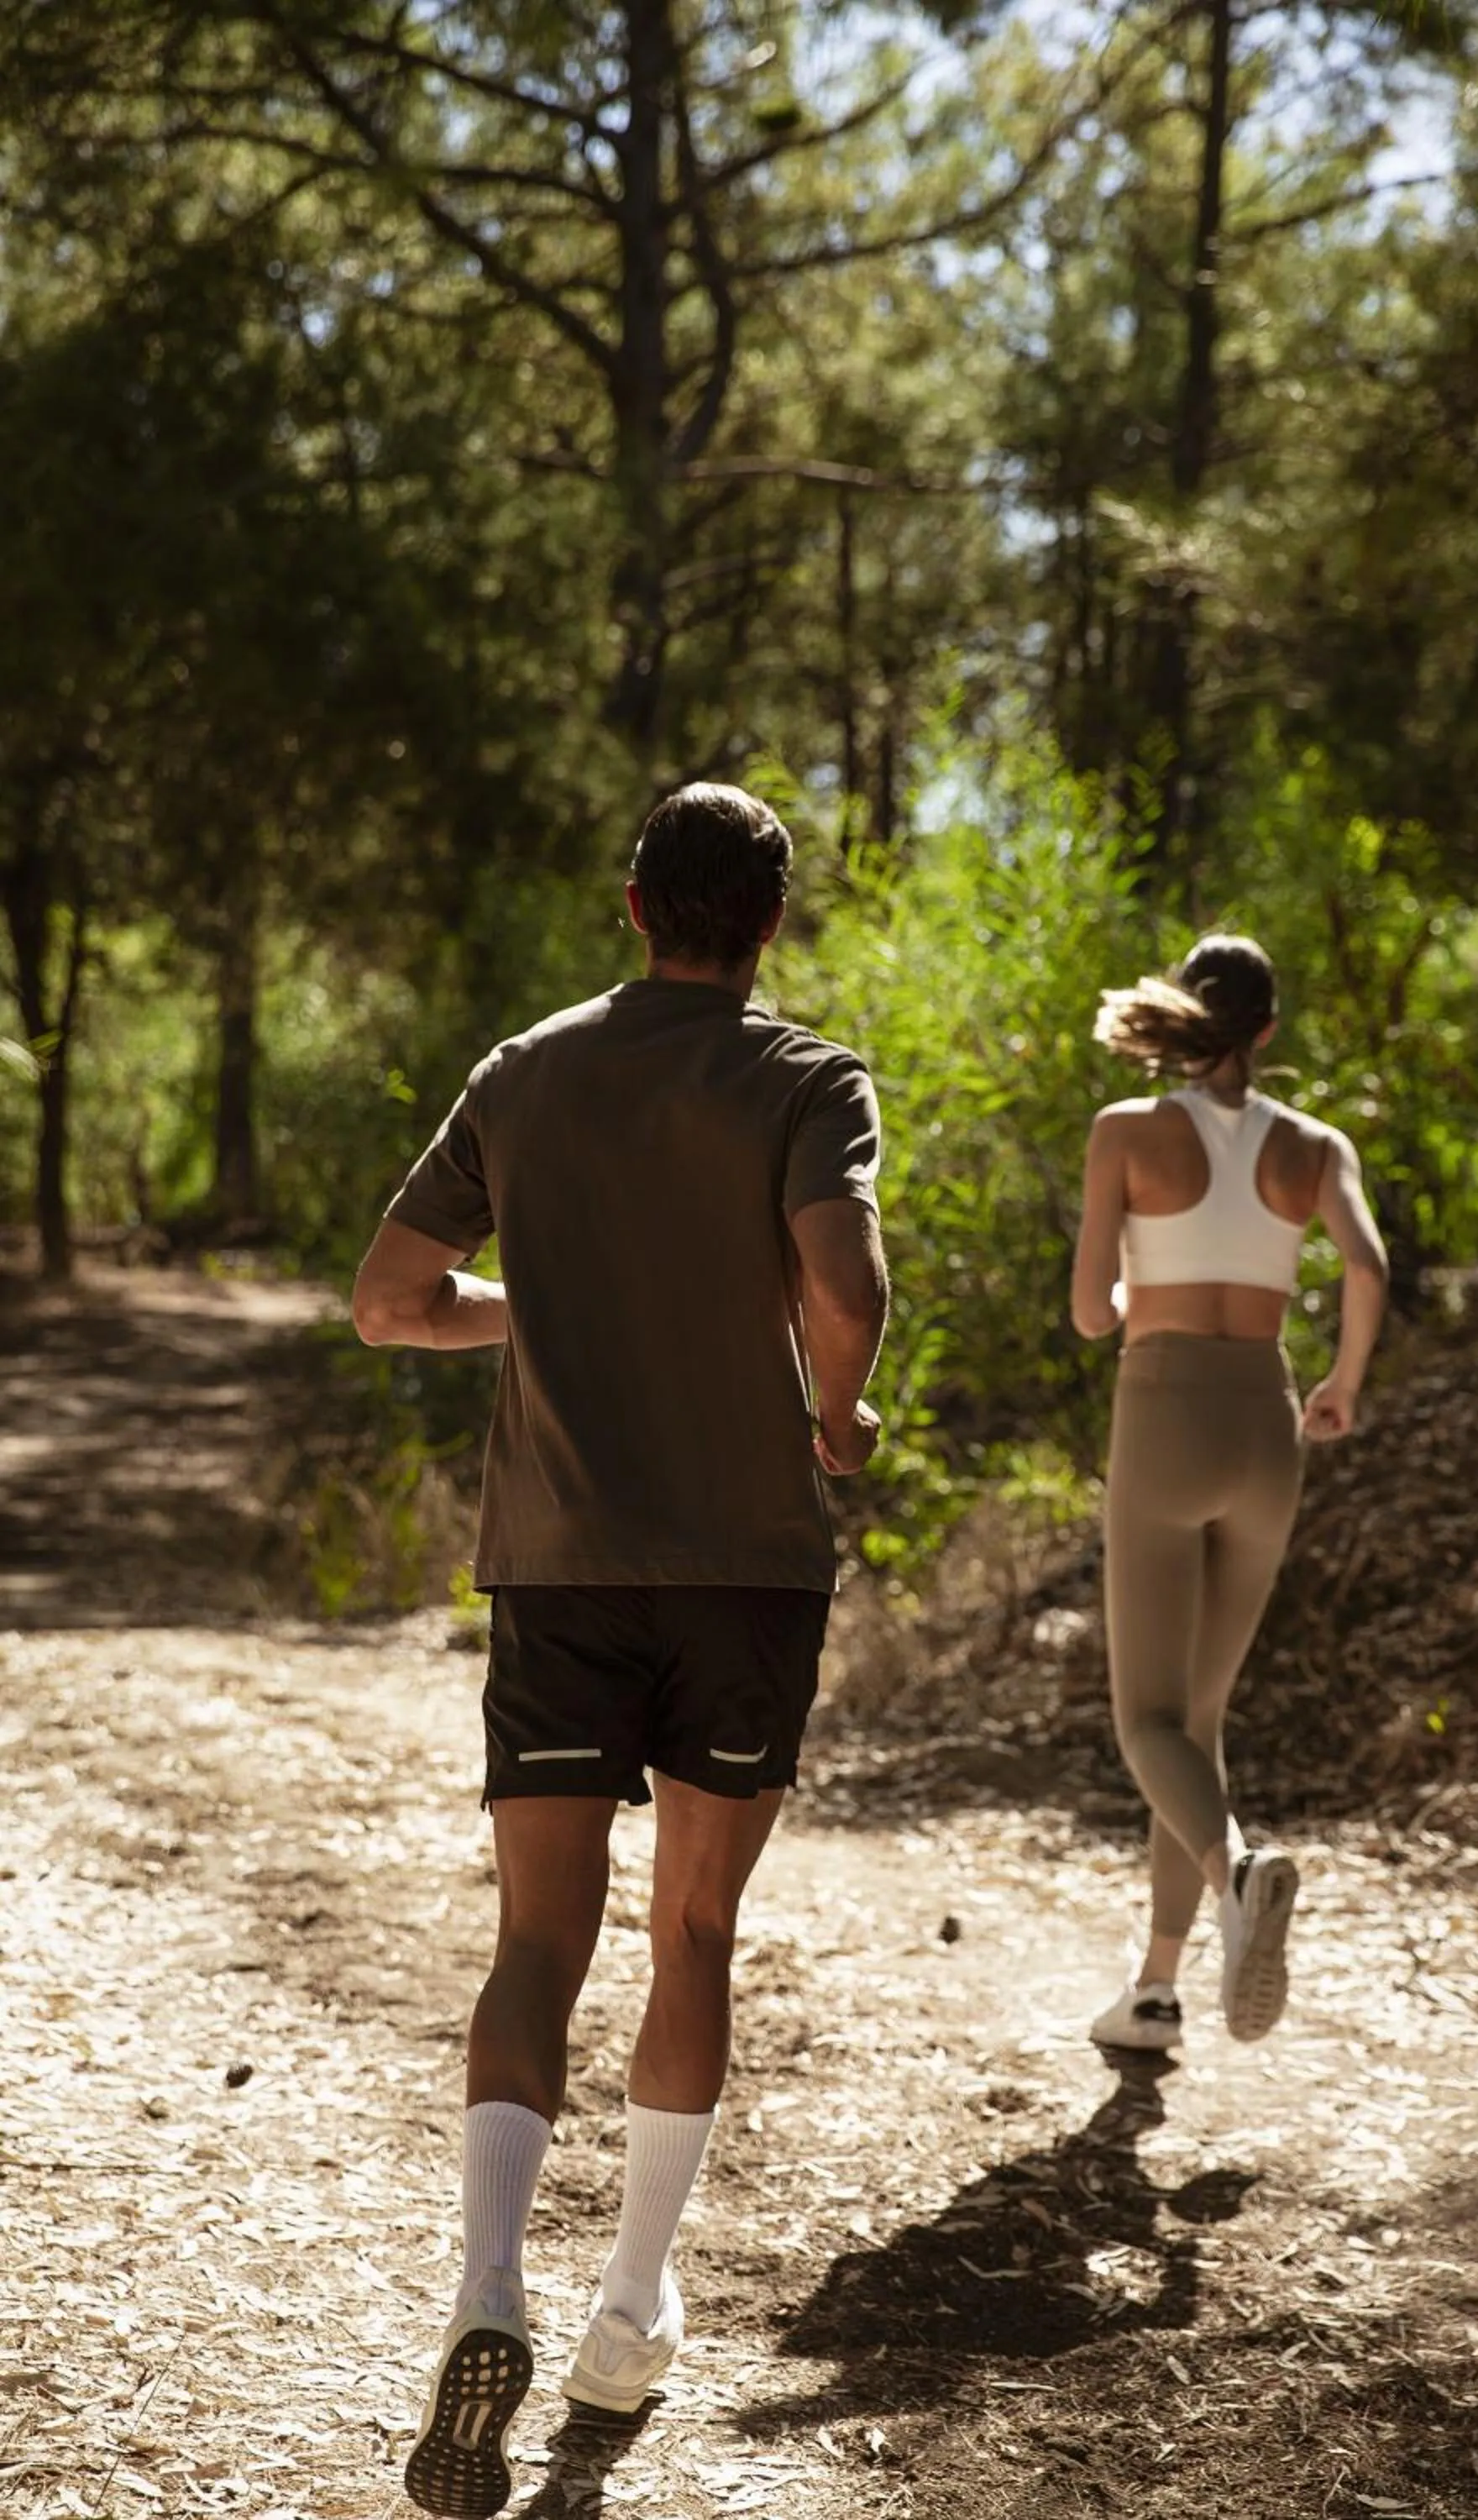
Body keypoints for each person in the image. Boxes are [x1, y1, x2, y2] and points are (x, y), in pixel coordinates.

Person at [352, 784, 888, 2520]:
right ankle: (629, 2307)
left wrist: (545, 1310)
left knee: (535, 1936)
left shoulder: (522, 1071)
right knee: (695, 1928)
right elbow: (846, 1287)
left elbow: (391, 1300)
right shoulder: (807, 1079)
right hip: (744, 1570)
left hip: (559, 1571)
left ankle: (487, 2283)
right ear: (771, 925)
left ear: (632, 901)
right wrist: (839, 1410)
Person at [1068, 933, 1387, 2055]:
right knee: (1196, 1724)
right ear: (1267, 1029)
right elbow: (1366, 1265)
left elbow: (1093, 1315)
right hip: (1268, 1422)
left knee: (1147, 1722)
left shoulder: (1125, 1133)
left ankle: (1236, 1873)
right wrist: (1342, 1383)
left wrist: (1125, 1278)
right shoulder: (1314, 1145)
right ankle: (1156, 1993)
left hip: (1164, 1416)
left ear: (1179, 1014)